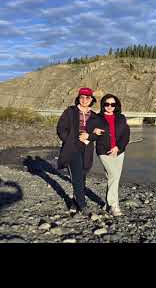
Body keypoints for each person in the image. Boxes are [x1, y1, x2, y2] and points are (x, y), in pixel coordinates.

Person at [56, 87, 103, 216]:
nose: (84, 100)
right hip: (72, 148)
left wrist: (89, 136)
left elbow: (99, 134)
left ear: (92, 100)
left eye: (87, 97)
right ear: (78, 98)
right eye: (82, 97)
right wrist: (70, 140)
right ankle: (83, 204)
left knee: (82, 176)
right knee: (76, 175)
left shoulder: (95, 116)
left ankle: (74, 202)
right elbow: (61, 128)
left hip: (87, 148)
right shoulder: (70, 112)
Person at [91, 94, 130, 217]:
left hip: (119, 151)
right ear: (103, 105)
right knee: (114, 176)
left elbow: (126, 135)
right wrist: (93, 131)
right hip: (104, 151)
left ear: (116, 105)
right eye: (107, 104)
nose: (110, 106)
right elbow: (87, 128)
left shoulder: (121, 118)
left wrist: (118, 147)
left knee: (113, 178)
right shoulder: (97, 118)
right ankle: (114, 205)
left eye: (112, 104)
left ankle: (107, 205)